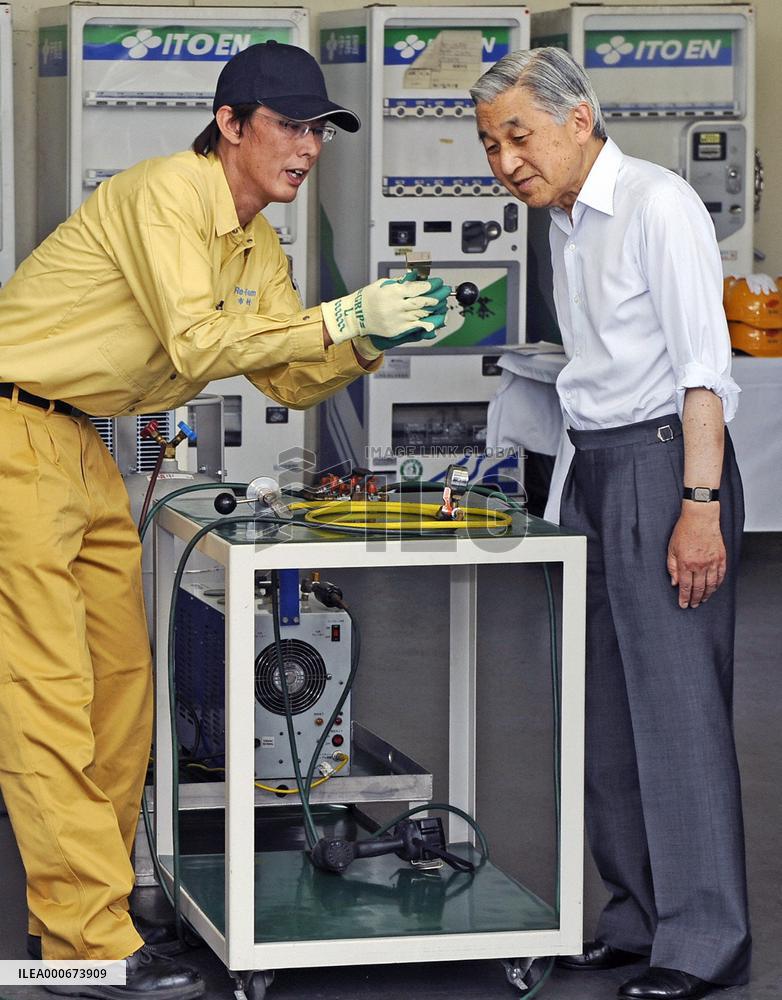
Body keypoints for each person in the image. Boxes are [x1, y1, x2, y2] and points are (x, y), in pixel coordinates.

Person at [0, 40, 448, 999]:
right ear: (231, 125)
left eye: (320, 130)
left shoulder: (258, 241)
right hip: (11, 434)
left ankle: (82, 917)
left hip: (83, 442)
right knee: (46, 699)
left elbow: (284, 372)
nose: (308, 148)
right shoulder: (168, 192)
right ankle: (87, 948)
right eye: (290, 126)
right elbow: (201, 338)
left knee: (122, 696)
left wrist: (368, 334)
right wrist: (339, 316)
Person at [471, 48, 750, 1000]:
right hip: (594, 469)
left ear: (579, 120)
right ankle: (636, 918)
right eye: (489, 145)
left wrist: (700, 508)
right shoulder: (564, 222)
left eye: (519, 135)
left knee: (677, 713)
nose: (505, 160)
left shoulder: (657, 205)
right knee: (607, 713)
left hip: (666, 465)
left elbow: (703, 368)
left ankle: (704, 941)